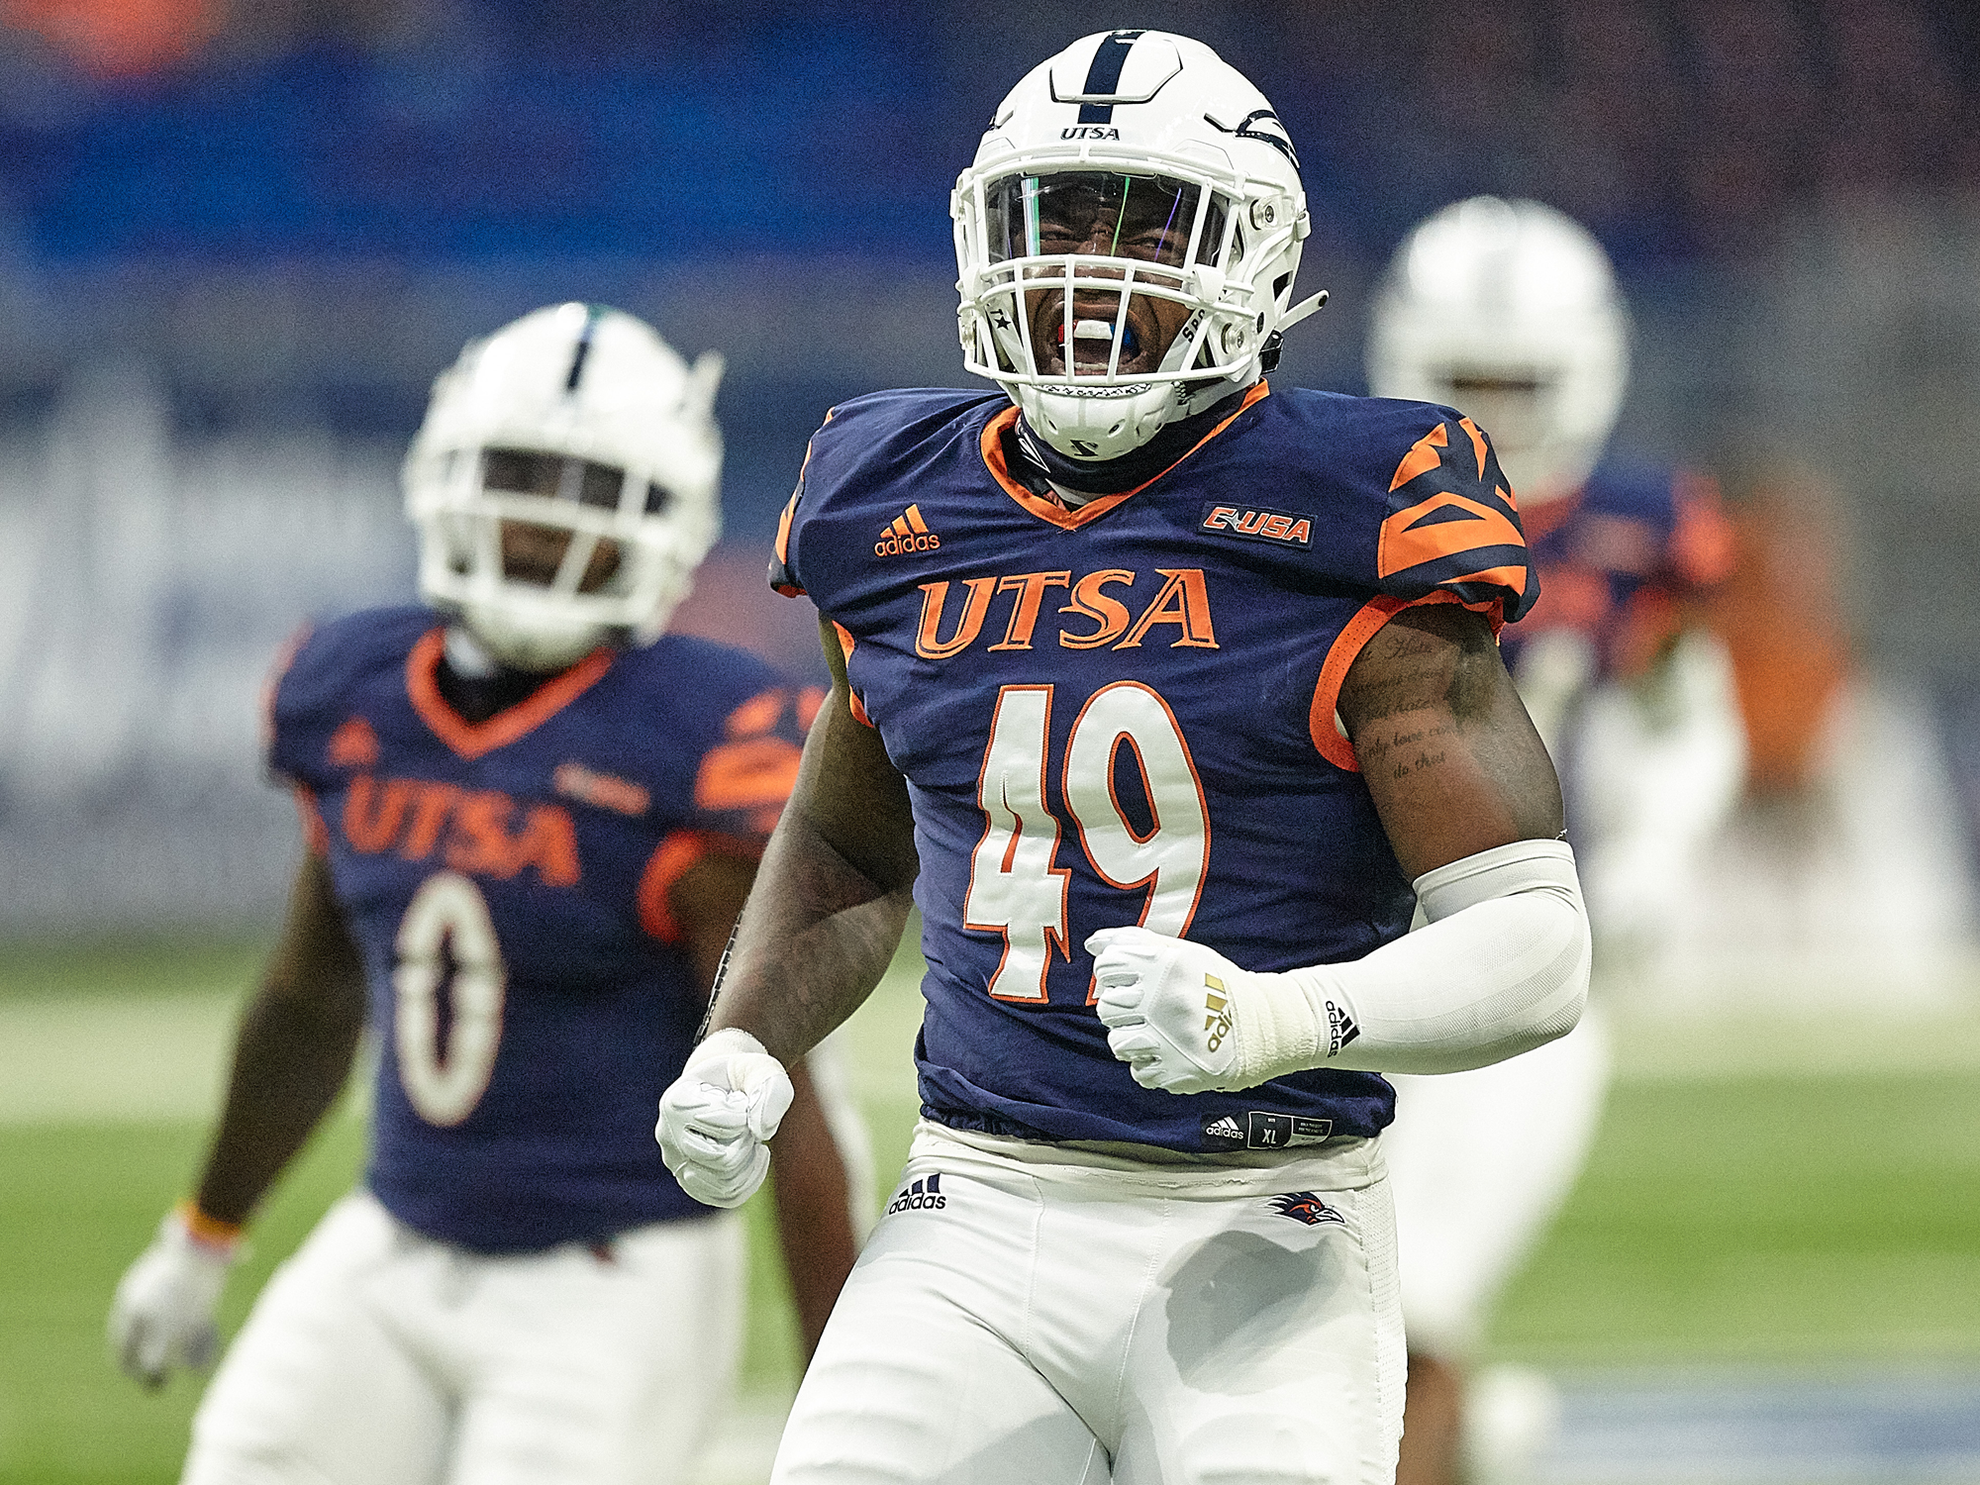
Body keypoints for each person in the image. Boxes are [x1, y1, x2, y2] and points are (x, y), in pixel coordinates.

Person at [656, 33, 1592, 1485]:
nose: (1091, 273)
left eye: (1149, 224)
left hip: (1264, 1212)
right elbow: (847, 848)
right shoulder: (890, 502)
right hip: (975, 1200)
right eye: (1059, 218)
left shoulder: (1358, 511)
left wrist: (1283, 1018)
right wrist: (743, 1040)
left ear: (1260, 260)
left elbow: (1535, 943)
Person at [107, 302, 867, 1485]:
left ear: (664, 516)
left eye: (589, 485)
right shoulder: (354, 686)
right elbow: (313, 996)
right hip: (398, 1235)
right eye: (518, 476)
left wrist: (844, 1389)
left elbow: (782, 1092)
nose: (542, 519)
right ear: (444, 475)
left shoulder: (698, 731)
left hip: (614, 1273)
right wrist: (202, 1234)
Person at [1365, 196, 1744, 1485]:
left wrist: (1645, 865)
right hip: (1347, 941)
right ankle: (1469, 1441)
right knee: (1330, 1301)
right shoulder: (1342, 501)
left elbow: (1696, 722)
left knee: (1413, 1307)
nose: (1496, 410)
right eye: (1467, 378)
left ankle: (1448, 1431)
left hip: (1525, 954)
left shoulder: (1638, 532)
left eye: (1519, 379)